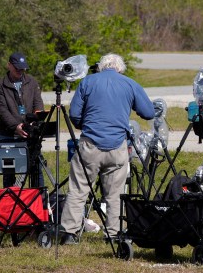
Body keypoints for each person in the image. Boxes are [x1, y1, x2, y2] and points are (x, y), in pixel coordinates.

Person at [59, 53, 155, 245]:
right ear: (120, 68)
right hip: (117, 147)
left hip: (90, 145)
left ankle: (70, 233)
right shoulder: (129, 84)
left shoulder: (87, 82)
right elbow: (148, 112)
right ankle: (113, 234)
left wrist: (86, 126)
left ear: (101, 67)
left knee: (78, 189)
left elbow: (75, 114)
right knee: (115, 194)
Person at [0, 52, 44, 187]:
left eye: (23, 69)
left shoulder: (31, 82)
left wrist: (34, 121)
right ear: (9, 65)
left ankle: (39, 200)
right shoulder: (0, 85)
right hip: (9, 135)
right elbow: (2, 110)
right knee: (9, 171)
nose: (20, 71)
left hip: (30, 134)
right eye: (17, 68)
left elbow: (38, 104)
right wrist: (16, 126)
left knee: (36, 169)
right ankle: (10, 201)